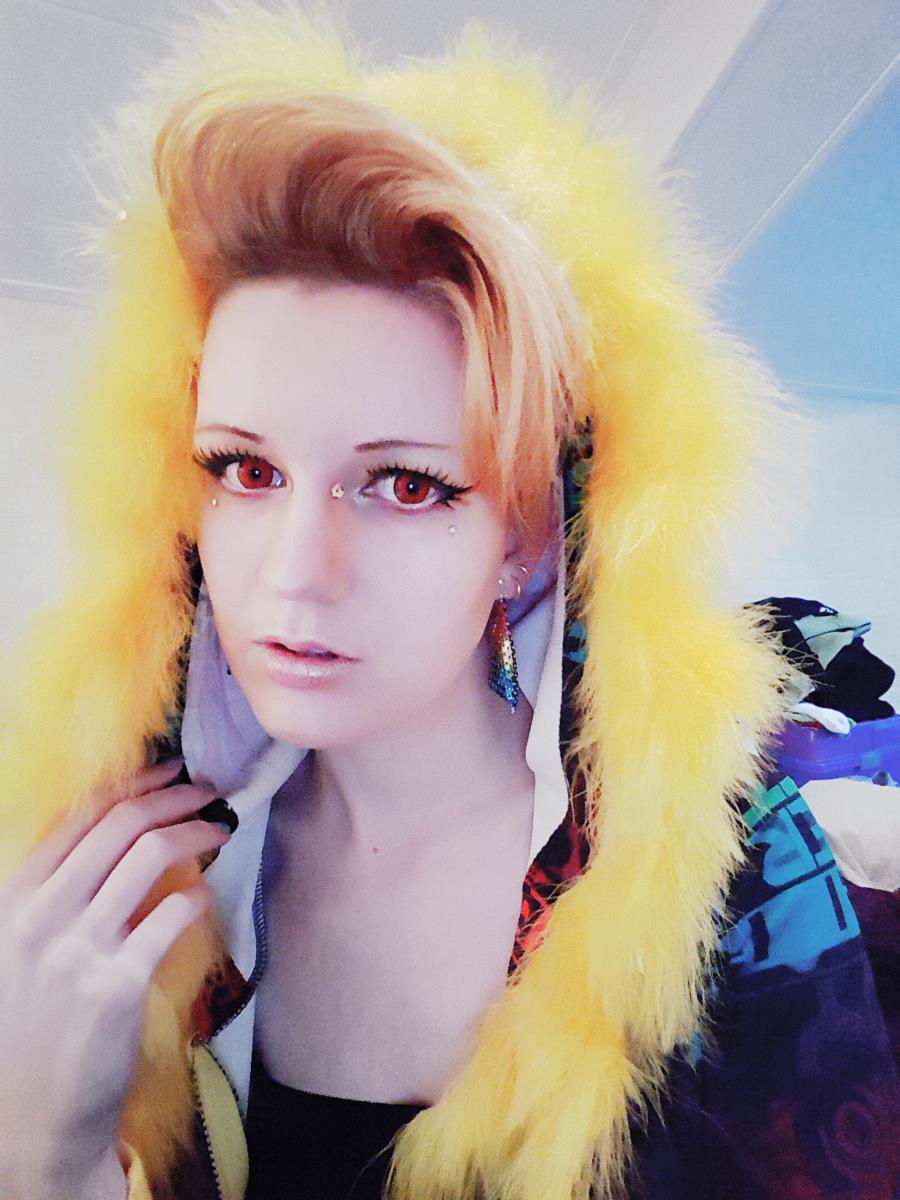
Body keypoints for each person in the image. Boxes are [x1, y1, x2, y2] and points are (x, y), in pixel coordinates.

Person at [1, 3, 897, 1199]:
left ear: (523, 539)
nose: (294, 570)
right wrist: (44, 1156)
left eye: (408, 485)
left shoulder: (725, 874)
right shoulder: (119, 870)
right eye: (245, 470)